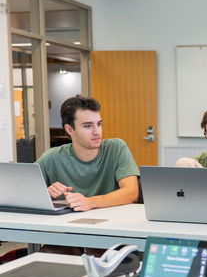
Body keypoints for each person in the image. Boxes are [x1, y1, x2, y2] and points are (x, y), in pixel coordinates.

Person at [36, 96, 140, 255]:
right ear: (70, 129)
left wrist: (90, 202)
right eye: (87, 126)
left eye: (99, 124)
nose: (97, 132)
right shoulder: (51, 157)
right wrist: (45, 194)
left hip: (112, 234)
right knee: (45, 258)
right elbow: (24, 194)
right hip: (67, 235)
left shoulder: (116, 148)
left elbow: (131, 192)